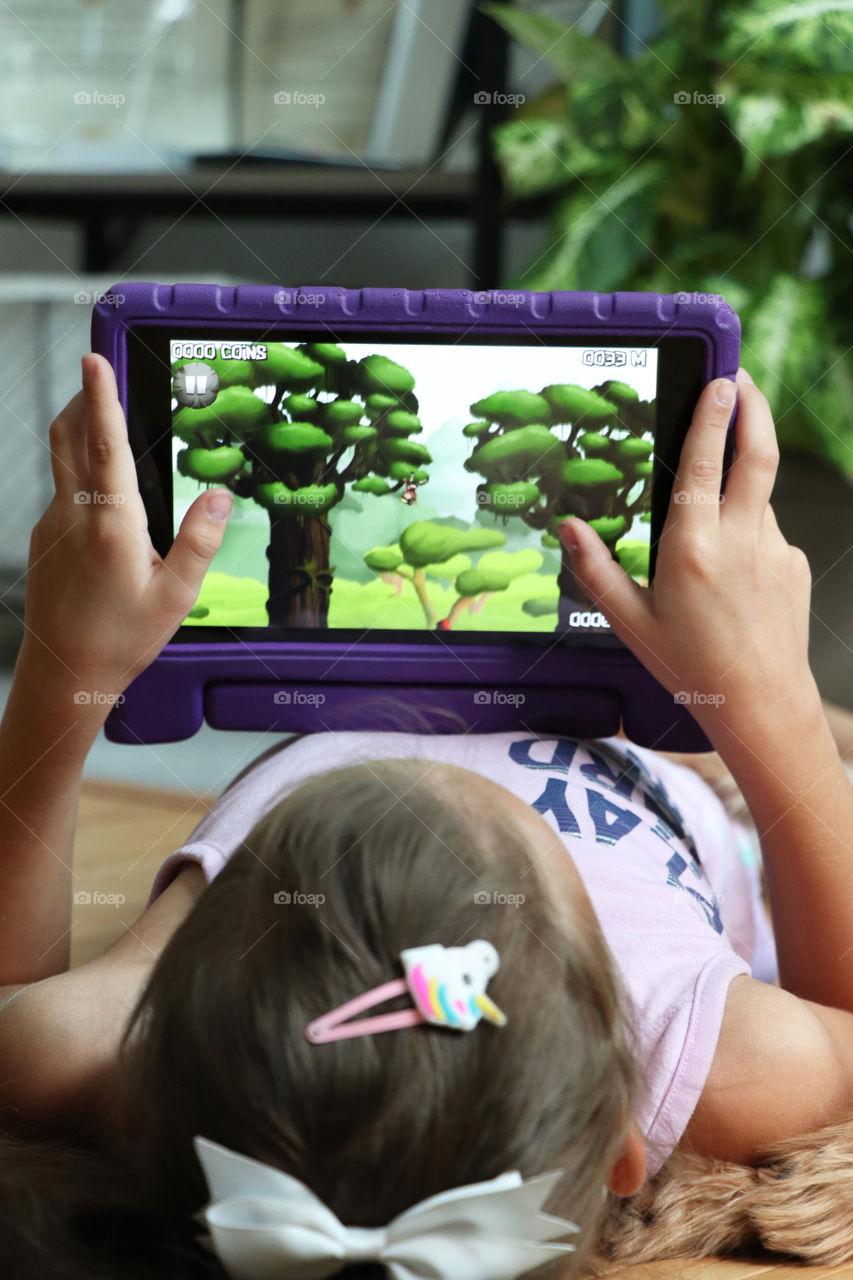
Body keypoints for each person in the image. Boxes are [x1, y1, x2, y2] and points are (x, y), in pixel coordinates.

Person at [1, 355, 853, 1279]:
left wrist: (60, 669)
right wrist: (773, 707)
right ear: (624, 1135)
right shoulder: (720, 1057)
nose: (431, 789)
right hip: (668, 752)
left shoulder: (97, 1050)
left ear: (148, 1095)